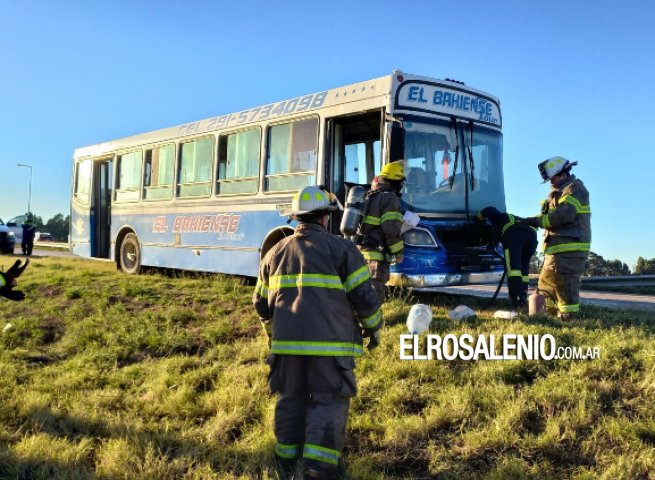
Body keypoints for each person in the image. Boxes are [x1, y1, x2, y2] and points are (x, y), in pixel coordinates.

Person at [253, 185, 381, 479]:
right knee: (327, 401)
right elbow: (364, 297)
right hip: (331, 348)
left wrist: (273, 335)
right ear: (325, 217)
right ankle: (319, 468)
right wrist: (374, 329)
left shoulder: (274, 253)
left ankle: (286, 461)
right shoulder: (343, 250)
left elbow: (260, 304)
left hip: (286, 350)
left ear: (296, 217)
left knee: (289, 399)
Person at [523, 156, 591, 320]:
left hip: (570, 250)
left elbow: (563, 215)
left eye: (552, 178)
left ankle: (569, 321)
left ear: (562, 174)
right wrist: (528, 221)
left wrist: (537, 221)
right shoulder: (556, 193)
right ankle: (547, 318)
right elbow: (548, 216)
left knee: (565, 288)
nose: (550, 182)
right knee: (545, 287)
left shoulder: (575, 189)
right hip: (554, 252)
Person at [357, 160, 406, 303]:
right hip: (376, 257)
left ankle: (356, 321)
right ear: (396, 182)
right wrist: (398, 252)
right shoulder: (390, 198)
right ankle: (371, 324)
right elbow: (391, 229)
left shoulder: (370, 195)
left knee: (360, 292)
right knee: (374, 295)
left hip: (361, 253)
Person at [476, 206, 538, 309]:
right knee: (523, 267)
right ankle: (523, 297)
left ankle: (516, 300)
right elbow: (497, 234)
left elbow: (489, 209)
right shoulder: (511, 218)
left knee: (513, 269)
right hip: (531, 236)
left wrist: (478, 218)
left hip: (515, 235)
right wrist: (492, 243)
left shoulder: (500, 216)